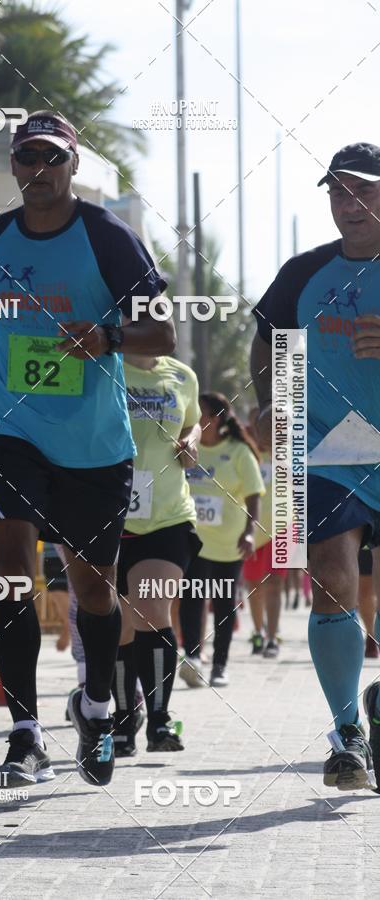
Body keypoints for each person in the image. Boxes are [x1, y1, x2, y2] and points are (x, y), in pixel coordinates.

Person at [0, 110, 174, 788]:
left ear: (73, 165)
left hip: (94, 440)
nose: (38, 172)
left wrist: (106, 337)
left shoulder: (109, 238)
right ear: (14, 167)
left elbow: (160, 338)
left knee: (92, 587)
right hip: (9, 427)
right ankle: (24, 734)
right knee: (12, 561)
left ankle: (97, 710)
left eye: (51, 159)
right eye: (26, 159)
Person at [250, 142, 380, 790]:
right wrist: (271, 403)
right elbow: (270, 346)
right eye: (337, 192)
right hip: (334, 446)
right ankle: (346, 731)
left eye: (363, 191)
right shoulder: (303, 274)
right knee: (332, 580)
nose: (349, 205)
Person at [111, 351, 202, 756]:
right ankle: (124, 713)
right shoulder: (104, 365)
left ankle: (161, 718)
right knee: (119, 623)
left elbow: (193, 420)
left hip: (168, 514)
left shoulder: (182, 374)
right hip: (108, 513)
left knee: (151, 609)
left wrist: (193, 440)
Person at [180, 392, 264, 688]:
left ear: (215, 419)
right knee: (191, 599)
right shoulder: (187, 448)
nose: (194, 418)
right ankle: (191, 658)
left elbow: (255, 495)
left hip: (229, 543)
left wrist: (250, 532)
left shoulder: (239, 452)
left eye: (200, 413)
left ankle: (220, 665)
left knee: (223, 604)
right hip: (193, 539)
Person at [244, 407, 286, 658]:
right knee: (253, 586)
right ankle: (258, 632)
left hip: (282, 525)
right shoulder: (244, 451)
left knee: (274, 583)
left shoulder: (286, 453)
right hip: (249, 525)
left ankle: (272, 638)